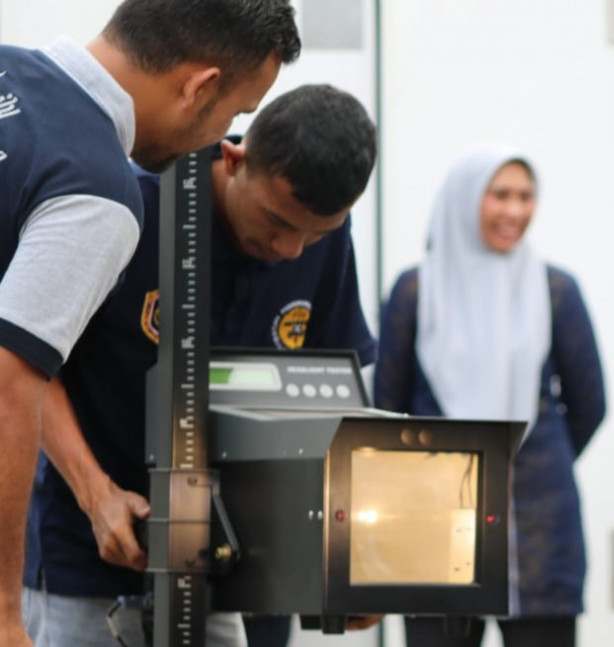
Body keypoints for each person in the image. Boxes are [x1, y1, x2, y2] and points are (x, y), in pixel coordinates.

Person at [1, 0, 298, 644]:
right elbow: (11, 380)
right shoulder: (97, 189)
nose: (215, 139)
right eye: (232, 114)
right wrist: (4, 615)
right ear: (199, 87)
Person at [23, 85, 375, 647]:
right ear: (234, 159)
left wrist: (354, 553)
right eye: (278, 221)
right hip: (94, 553)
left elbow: (336, 399)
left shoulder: (324, 245)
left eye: (316, 233)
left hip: (254, 570)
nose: (292, 250)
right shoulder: (125, 209)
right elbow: (26, 368)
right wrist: (97, 494)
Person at [374, 144, 606, 647]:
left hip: (536, 516)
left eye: (526, 196)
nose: (515, 210)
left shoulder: (555, 290)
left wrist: (528, 456)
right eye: (499, 194)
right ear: (464, 199)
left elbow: (590, 404)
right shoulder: (416, 291)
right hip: (436, 515)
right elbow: (387, 411)